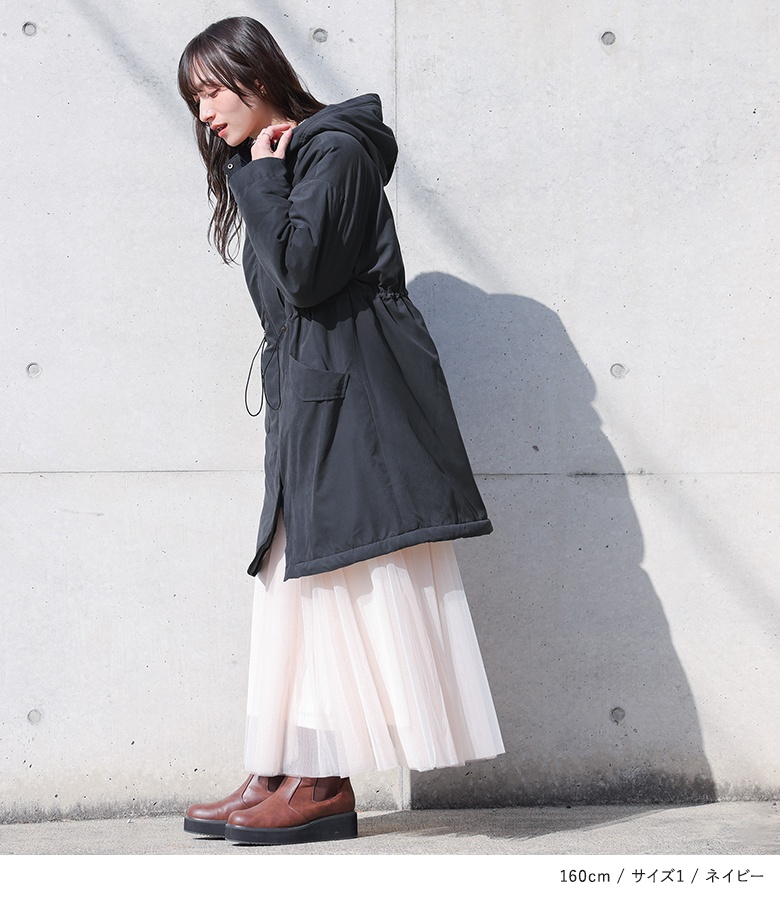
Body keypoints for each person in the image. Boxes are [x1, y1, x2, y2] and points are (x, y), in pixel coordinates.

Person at [177, 16, 504, 846]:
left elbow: (304, 272)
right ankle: (279, 764)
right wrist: (259, 176)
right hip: (311, 396)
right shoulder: (279, 162)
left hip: (353, 400)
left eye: (211, 91)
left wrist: (260, 179)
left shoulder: (334, 152)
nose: (204, 112)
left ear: (257, 75)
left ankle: (321, 782)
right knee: (291, 582)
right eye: (194, 100)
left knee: (329, 583)